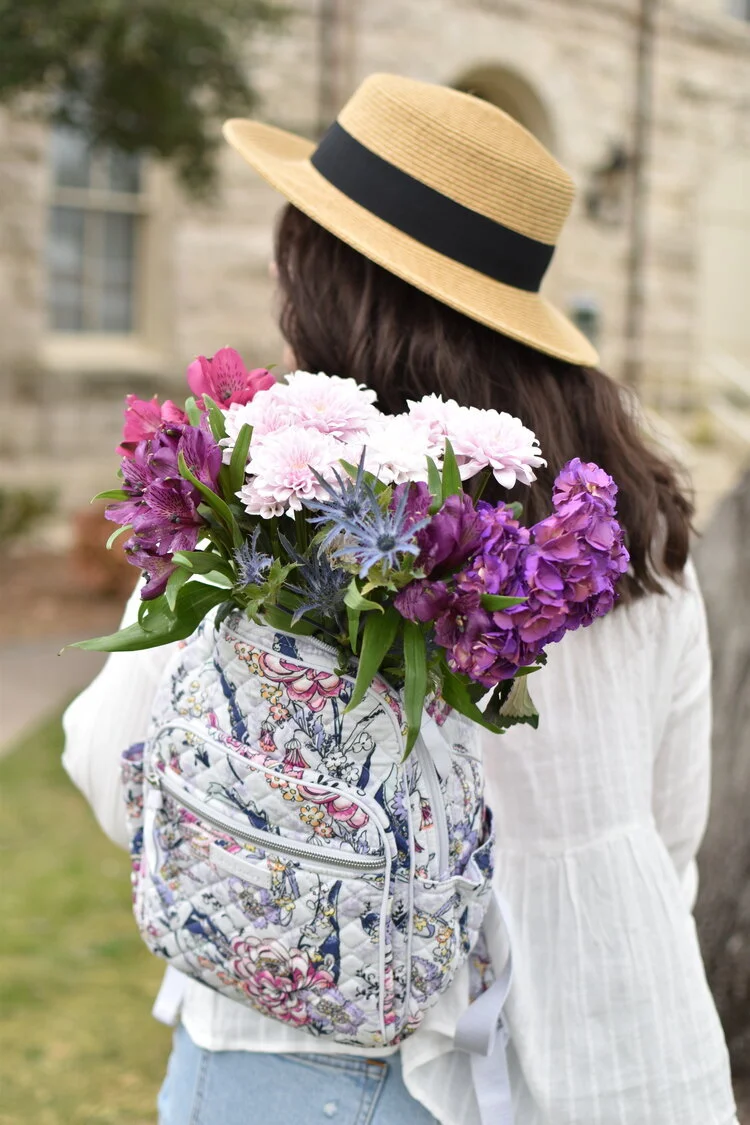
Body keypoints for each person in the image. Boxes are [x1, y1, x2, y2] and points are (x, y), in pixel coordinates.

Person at [63, 74, 738, 1125]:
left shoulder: (275, 500)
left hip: (314, 1057)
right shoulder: (634, 519)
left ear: (324, 280)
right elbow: (671, 828)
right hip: (607, 1042)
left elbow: (119, 771)